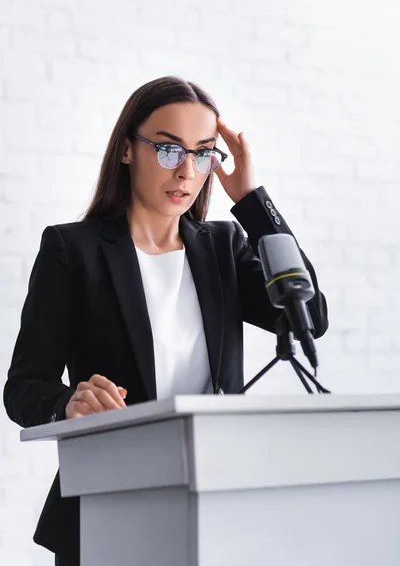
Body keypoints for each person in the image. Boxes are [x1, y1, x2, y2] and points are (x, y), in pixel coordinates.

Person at [3, 75, 328, 565]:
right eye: (169, 149)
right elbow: (24, 389)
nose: (186, 171)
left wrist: (252, 201)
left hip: (218, 505)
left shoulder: (224, 247)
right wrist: (71, 401)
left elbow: (310, 315)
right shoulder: (73, 250)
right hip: (106, 510)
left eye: (203, 153)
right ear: (128, 150)